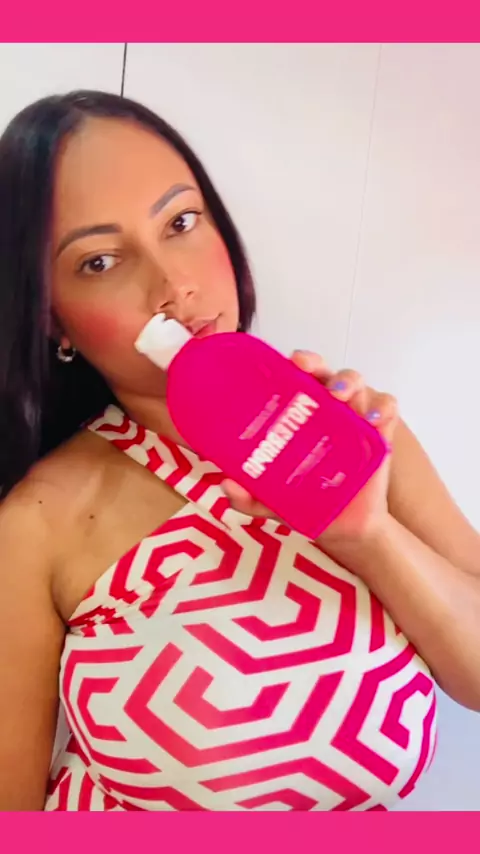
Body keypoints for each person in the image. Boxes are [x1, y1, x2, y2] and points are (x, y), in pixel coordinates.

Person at [0, 91, 478, 813]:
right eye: (99, 261)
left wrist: (369, 535)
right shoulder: (38, 522)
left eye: (181, 222)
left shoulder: (356, 431)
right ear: (50, 317)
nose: (174, 285)